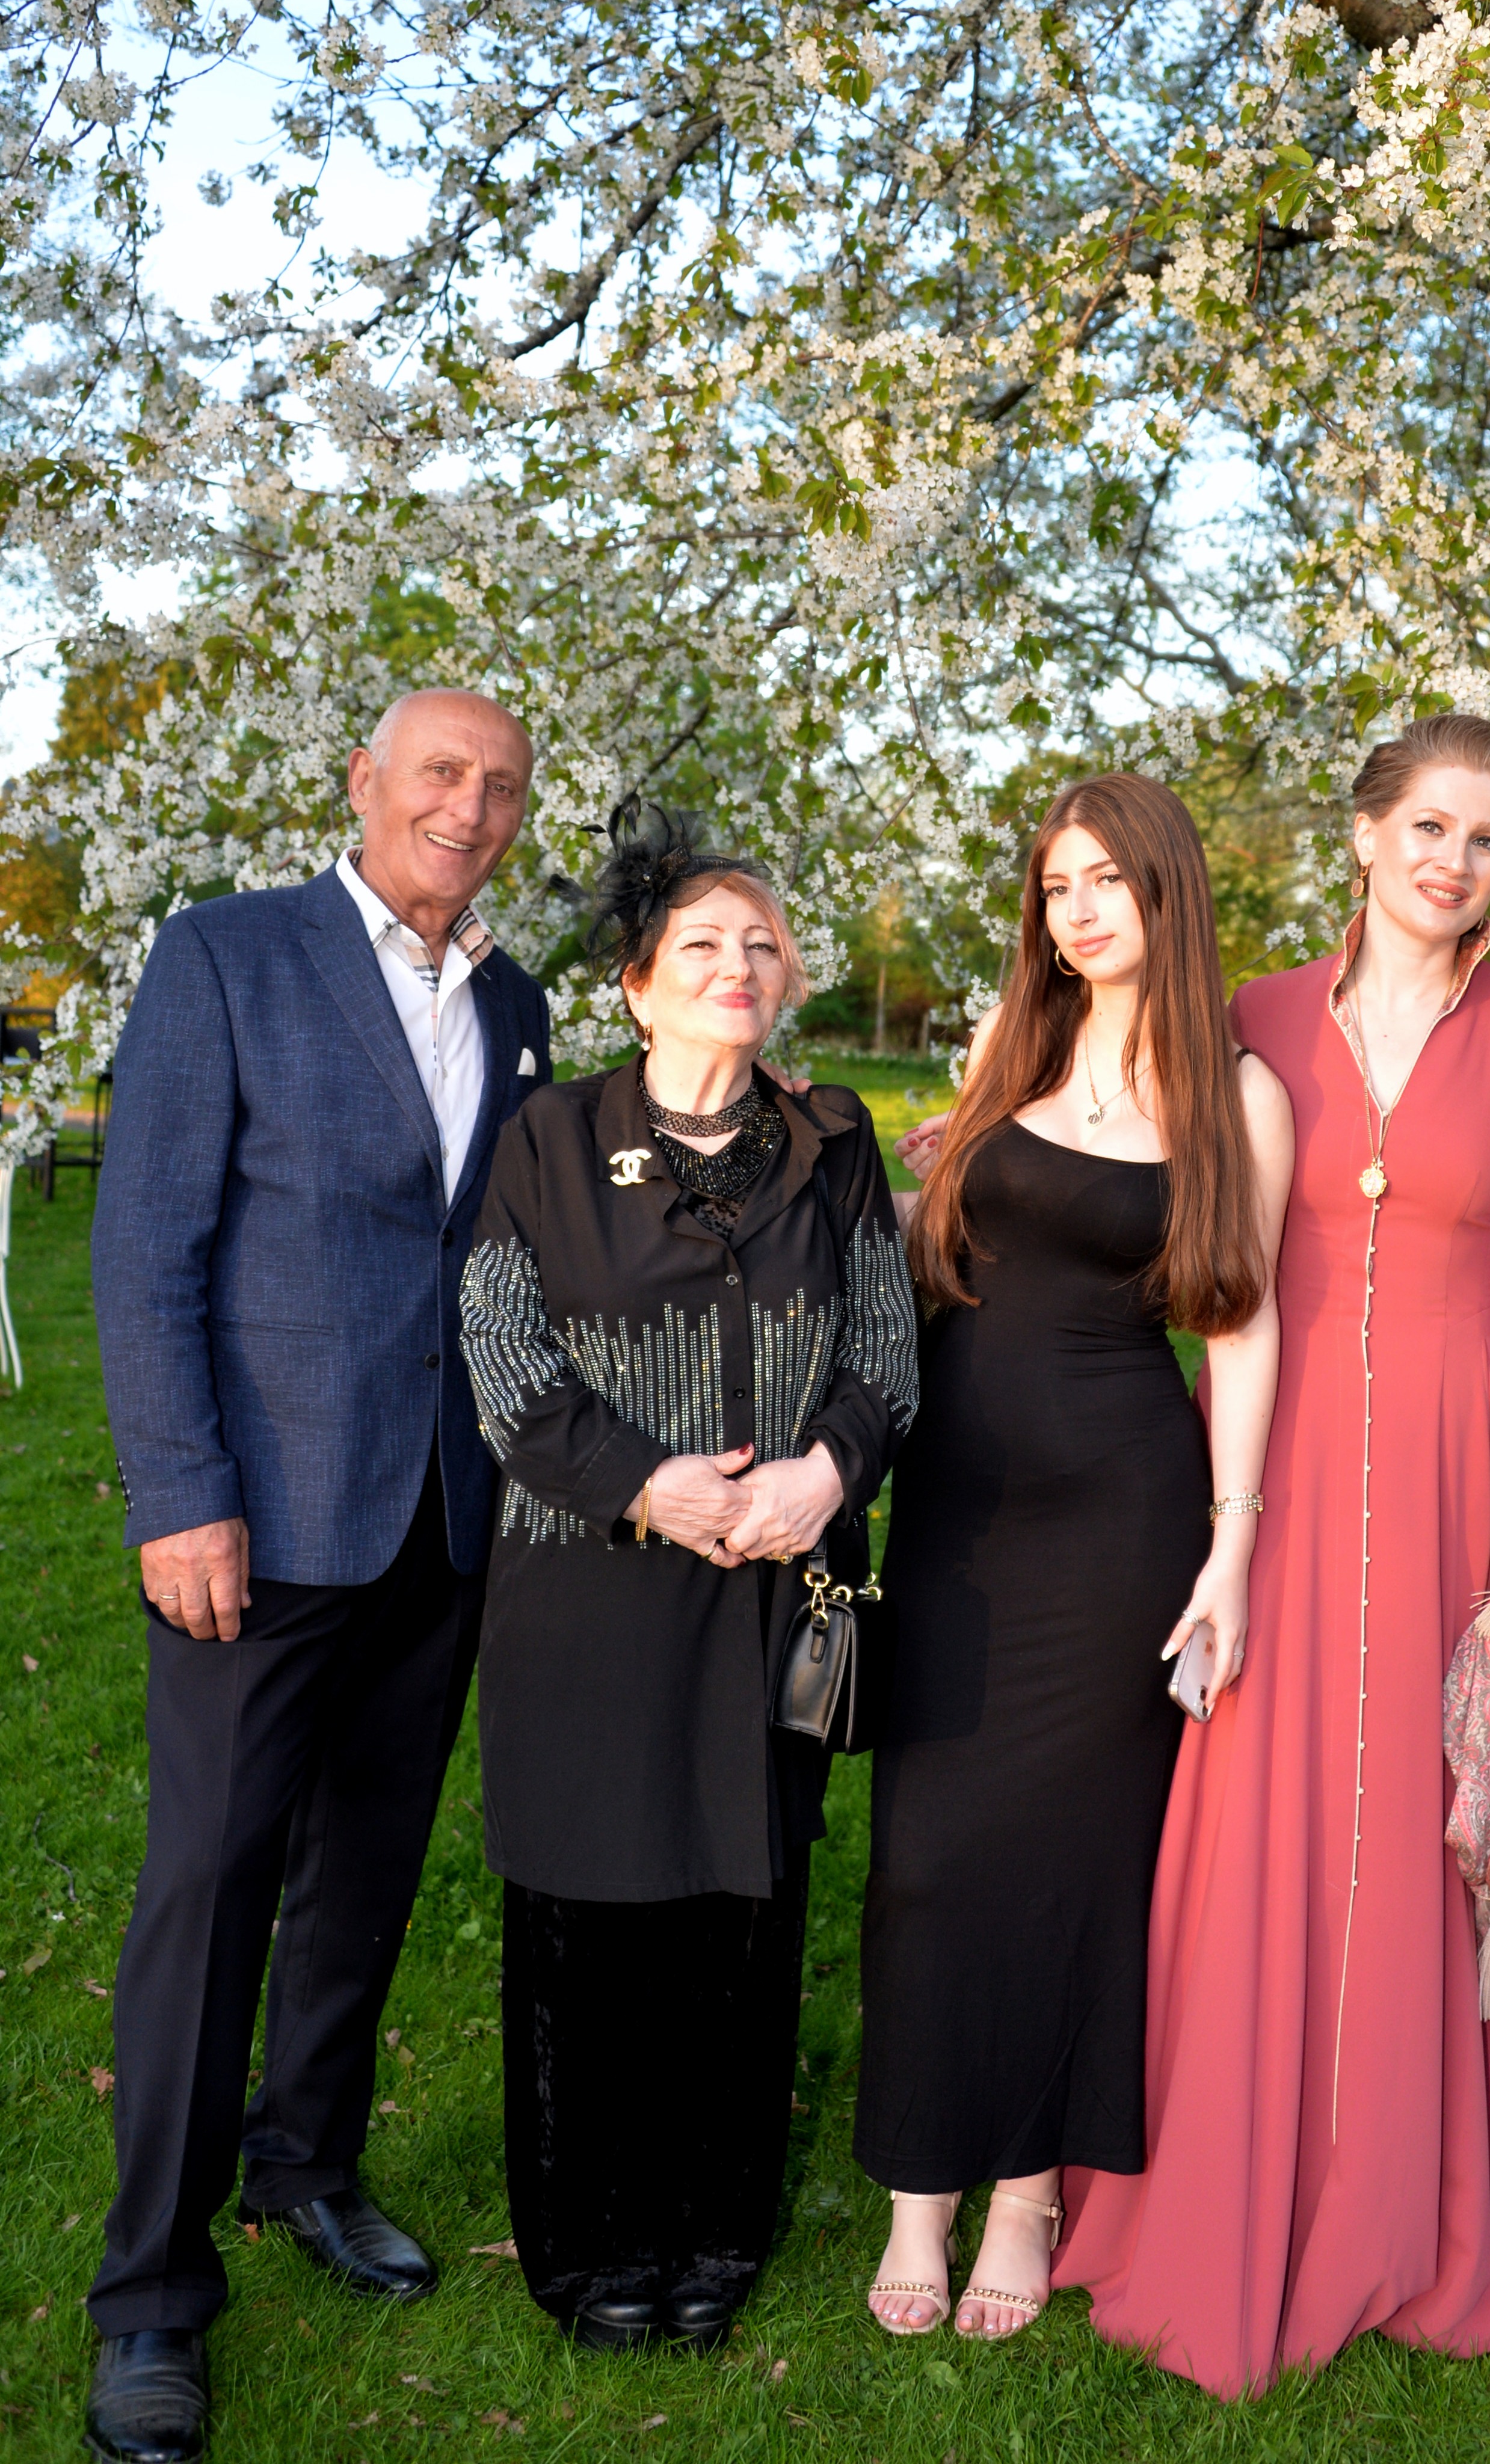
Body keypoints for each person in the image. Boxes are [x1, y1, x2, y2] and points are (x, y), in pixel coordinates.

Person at [1054, 711, 1490, 2395]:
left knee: (1422, 1798)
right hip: (1266, 1455)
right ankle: (1232, 2170)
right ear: (1365, 835)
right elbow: (1113, 1119)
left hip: (1453, 1453)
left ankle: (1410, 2202)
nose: (1453, 861)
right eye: (1428, 827)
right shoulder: (1259, 1013)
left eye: (1486, 840)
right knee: (1265, 1792)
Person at [85, 690, 550, 2463]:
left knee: (364, 1871)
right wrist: (181, 1493)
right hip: (257, 1528)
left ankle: (307, 2164)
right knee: (209, 1887)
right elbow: (145, 1246)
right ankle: (150, 2292)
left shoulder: (514, 1003)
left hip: (440, 1518)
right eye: (439, 773)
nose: (469, 807)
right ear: (364, 783)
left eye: (499, 787)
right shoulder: (226, 955)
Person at [458, 802, 917, 2356]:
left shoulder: (832, 1142)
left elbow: (886, 1349)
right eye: (703, 944)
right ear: (638, 985)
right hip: (590, 1591)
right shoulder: (549, 1139)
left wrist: (824, 1472)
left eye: (762, 945)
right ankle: (591, 2240)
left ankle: (716, 2224)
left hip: (775, 1590)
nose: (739, 965)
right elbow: (502, 1351)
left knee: (740, 1918)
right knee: (588, 1926)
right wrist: (648, 1483)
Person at [857, 773, 1295, 2342]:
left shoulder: (1239, 1094)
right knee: (925, 1855)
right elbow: (943, 1245)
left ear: (1169, 890)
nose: (1081, 909)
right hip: (958, 1509)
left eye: (1109, 878)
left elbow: (1242, 1328)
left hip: (1122, 1518)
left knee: (1067, 1863)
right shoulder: (1015, 1045)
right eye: (1058, 885)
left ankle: (1026, 2195)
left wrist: (1232, 1547)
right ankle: (917, 2187)